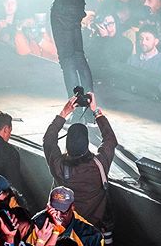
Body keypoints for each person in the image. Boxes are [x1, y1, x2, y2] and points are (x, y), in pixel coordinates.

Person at [43, 93, 117, 243]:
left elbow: (49, 140)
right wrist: (96, 111)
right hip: (92, 230)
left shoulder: (59, 166)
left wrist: (64, 113)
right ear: (87, 143)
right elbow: (110, 139)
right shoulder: (99, 164)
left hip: (64, 228)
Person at [31, 186, 104, 246]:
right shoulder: (36, 225)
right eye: (54, 210)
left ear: (72, 207)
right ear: (48, 206)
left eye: (63, 212)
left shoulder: (91, 235)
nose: (58, 216)